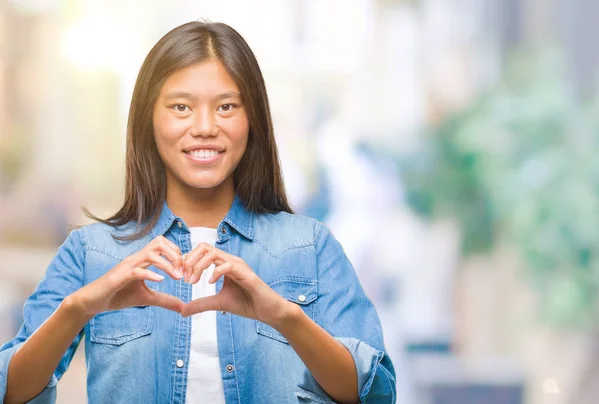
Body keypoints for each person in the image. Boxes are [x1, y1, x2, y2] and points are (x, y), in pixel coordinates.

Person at [0, 21, 396, 404]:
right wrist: (78, 307)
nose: (205, 127)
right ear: (148, 120)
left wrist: (284, 316)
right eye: (181, 107)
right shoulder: (91, 252)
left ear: (252, 119)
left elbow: (374, 392)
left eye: (226, 106)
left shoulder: (310, 245)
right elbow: (11, 391)